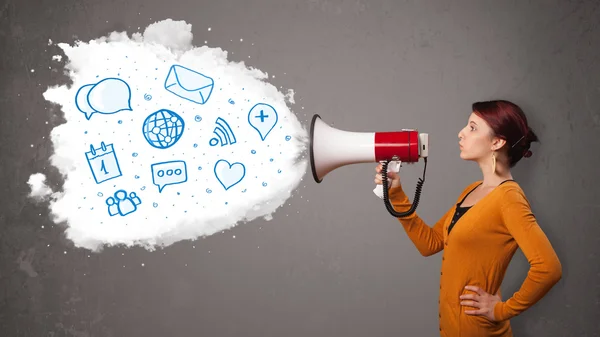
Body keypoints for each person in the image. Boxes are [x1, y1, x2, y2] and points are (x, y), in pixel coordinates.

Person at [374, 100, 562, 337]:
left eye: (472, 127)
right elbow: (430, 243)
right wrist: (396, 195)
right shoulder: (472, 190)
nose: (461, 133)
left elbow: (549, 268)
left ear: (497, 142)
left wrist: (503, 310)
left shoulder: (509, 198)